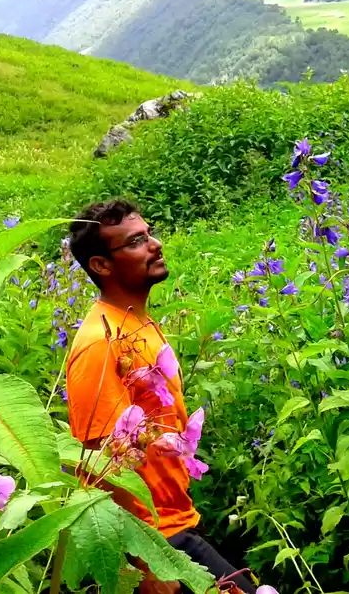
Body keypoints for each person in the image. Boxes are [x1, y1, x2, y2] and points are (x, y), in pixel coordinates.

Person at [65, 198, 257, 594]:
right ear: (101, 265)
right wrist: (145, 564)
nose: (155, 245)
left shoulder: (136, 324)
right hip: (153, 541)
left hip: (174, 525)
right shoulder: (100, 343)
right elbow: (101, 459)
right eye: (136, 241)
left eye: (149, 234)